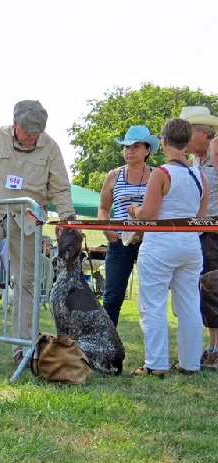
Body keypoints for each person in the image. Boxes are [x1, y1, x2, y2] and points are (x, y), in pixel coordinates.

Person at [0, 100, 76, 364]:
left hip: (27, 216)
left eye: (36, 132)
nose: (32, 137)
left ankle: (22, 345)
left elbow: (61, 188)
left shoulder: (50, 146)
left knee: (26, 279)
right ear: (15, 124)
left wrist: (68, 218)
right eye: (27, 131)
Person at [127, 118, 208, 376]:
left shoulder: (161, 173)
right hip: (190, 243)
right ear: (187, 142)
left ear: (163, 141)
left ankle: (156, 363)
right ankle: (190, 362)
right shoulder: (199, 175)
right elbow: (201, 216)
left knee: (153, 304)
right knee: (189, 304)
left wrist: (134, 209)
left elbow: (149, 214)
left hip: (161, 242)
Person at [98, 125, 160, 326]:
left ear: (147, 150)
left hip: (149, 242)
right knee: (112, 297)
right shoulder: (113, 175)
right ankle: (107, 346)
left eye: (135, 146)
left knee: (152, 296)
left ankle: (153, 348)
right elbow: (103, 208)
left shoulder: (157, 175)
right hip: (119, 243)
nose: (129, 151)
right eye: (126, 147)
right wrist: (107, 229)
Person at [180, 106, 218, 368]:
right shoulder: (192, 163)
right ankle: (211, 345)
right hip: (200, 232)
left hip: (215, 230)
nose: (184, 139)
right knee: (204, 289)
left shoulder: (216, 152)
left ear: (204, 133)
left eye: (188, 133)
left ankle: (215, 347)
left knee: (214, 287)